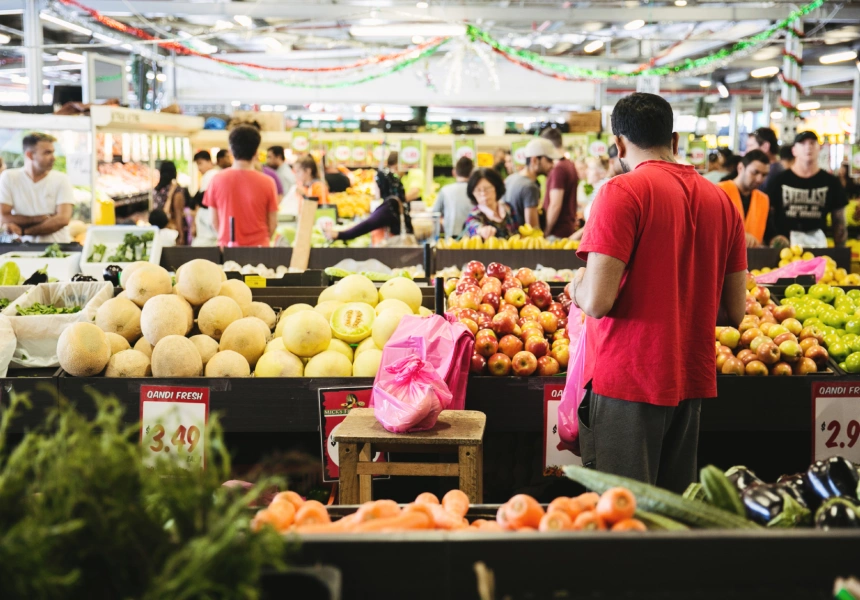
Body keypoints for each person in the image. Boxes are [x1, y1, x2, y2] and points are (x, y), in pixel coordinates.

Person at [572, 92, 746, 492]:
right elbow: (734, 311)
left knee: (623, 520)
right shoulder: (721, 201)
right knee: (670, 521)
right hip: (689, 383)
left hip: (627, 382)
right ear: (676, 140)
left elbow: (598, 300)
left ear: (618, 145)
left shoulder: (621, 192)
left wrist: (577, 286)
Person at [765, 130, 847, 248]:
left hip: (819, 247)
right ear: (794, 150)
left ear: (819, 148)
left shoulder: (831, 182)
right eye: (802, 144)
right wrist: (772, 239)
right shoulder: (779, 180)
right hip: (784, 249)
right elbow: (768, 213)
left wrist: (841, 250)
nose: (808, 147)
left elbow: (839, 220)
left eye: (812, 143)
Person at [203, 125, 278, 247]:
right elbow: (273, 223)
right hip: (260, 250)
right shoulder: (268, 182)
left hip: (227, 248)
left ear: (231, 150)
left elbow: (213, 221)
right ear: (256, 152)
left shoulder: (216, 180)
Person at [0, 133, 74, 242]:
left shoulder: (62, 179)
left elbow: (62, 219)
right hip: (20, 248)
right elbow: (3, 218)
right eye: (47, 153)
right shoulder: (9, 178)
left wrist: (25, 232)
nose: (53, 158)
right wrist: (40, 218)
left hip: (57, 247)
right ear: (30, 155)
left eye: (53, 152)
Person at [717, 149, 771, 247]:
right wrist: (739, 236)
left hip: (754, 259)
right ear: (740, 168)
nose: (759, 179)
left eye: (764, 175)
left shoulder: (763, 199)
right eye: (755, 172)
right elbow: (709, 228)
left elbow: (768, 233)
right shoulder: (718, 191)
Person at [504, 138, 557, 229]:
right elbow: (532, 228)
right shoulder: (530, 187)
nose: (552, 165)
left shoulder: (510, 179)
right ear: (534, 160)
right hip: (524, 242)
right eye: (549, 160)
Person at [539, 128, 579, 239]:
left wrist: (546, 231)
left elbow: (555, 205)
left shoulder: (559, 169)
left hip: (557, 232)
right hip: (566, 228)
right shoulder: (569, 165)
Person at [461, 168, 516, 239]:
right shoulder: (474, 215)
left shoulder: (508, 208)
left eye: (487, 189)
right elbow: (472, 226)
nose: (483, 194)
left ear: (496, 188)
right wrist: (482, 230)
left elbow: (516, 232)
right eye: (478, 190)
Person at [432, 156, 473, 238]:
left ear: (454, 172)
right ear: (472, 173)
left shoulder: (445, 190)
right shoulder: (477, 190)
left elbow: (435, 214)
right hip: (473, 237)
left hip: (451, 236)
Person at [152, 161, 190, 245]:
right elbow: (178, 213)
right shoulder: (177, 190)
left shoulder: (155, 190)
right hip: (173, 230)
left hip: (159, 229)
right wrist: (181, 234)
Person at [191, 150, 219, 247]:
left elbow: (204, 200)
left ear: (209, 161)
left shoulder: (211, 174)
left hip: (208, 228)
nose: (199, 168)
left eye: (200, 163)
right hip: (208, 225)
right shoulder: (213, 175)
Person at [746, 127, 784, 191]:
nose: (747, 151)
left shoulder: (772, 174)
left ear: (765, 146)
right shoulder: (777, 169)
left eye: (750, 146)